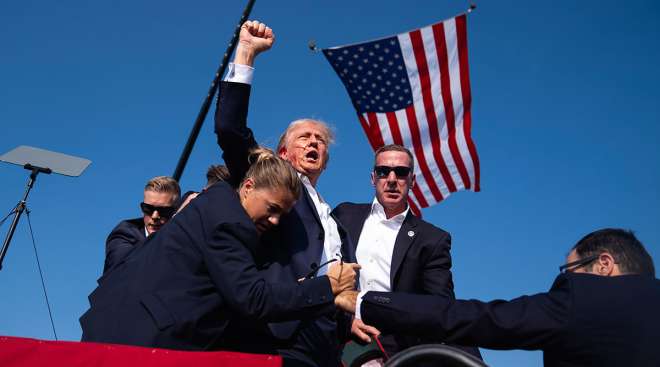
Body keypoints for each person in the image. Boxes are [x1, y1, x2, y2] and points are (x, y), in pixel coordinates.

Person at [80, 148, 360, 350]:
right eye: (272, 209)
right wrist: (328, 287)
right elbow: (252, 299)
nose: (275, 221)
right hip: (140, 339)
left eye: (282, 215)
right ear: (248, 186)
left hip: (120, 328)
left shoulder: (218, 202)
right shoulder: (228, 223)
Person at [215, 20, 353, 367]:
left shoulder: (334, 220)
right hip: (277, 332)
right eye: (304, 137)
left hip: (328, 339)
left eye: (320, 140)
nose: (313, 142)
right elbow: (230, 130)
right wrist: (246, 53)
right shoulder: (270, 181)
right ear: (282, 152)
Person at [337, 228, 660, 367]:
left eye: (571, 268)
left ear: (604, 264)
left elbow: (480, 319)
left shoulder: (584, 299)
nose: (566, 278)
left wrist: (365, 301)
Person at [332, 144, 481, 361]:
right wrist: (346, 322)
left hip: (397, 348)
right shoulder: (344, 215)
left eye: (401, 172)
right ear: (373, 178)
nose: (392, 179)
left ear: (412, 180)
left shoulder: (432, 239)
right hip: (340, 333)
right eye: (384, 171)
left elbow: (441, 306)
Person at [103, 176, 180, 274]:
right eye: (148, 209)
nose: (155, 216)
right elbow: (127, 267)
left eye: (163, 211)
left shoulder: (184, 237)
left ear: (176, 211)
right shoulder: (124, 233)